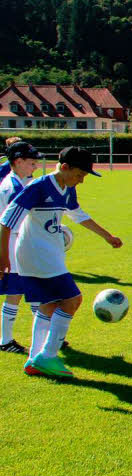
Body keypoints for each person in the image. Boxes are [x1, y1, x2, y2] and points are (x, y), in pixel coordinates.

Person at [0, 147, 123, 377]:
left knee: (48, 305)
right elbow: (7, 221)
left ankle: (34, 359)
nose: (82, 181)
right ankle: (48, 356)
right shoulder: (38, 187)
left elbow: (79, 215)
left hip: (49, 253)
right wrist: (3, 257)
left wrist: (107, 236)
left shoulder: (68, 189)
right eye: (80, 175)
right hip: (36, 254)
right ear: (64, 167)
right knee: (72, 300)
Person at [0, 142, 43, 354]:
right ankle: (6, 340)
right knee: (17, 292)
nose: (35, 166)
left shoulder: (22, 181)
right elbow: (11, 223)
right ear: (17, 162)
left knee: (30, 290)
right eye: (31, 163)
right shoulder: (12, 188)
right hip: (12, 246)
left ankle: (44, 335)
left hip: (17, 244)